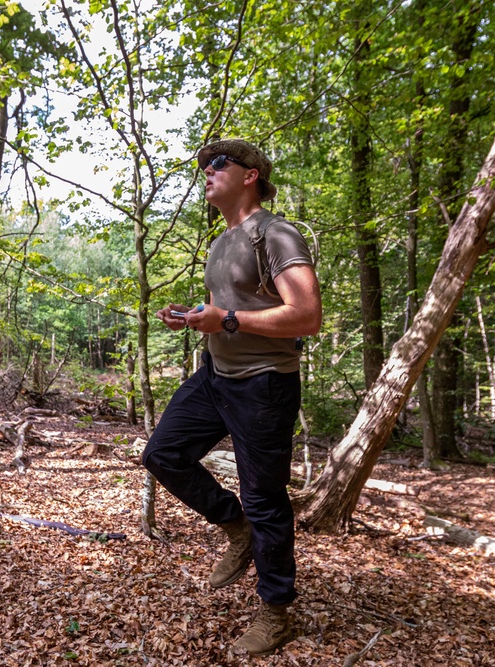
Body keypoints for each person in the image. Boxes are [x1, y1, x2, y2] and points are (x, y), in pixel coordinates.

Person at [141, 139, 322, 657]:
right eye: (203, 165)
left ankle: (276, 611)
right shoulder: (222, 242)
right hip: (216, 373)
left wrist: (229, 319)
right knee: (162, 455)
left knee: (266, 499)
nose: (207, 171)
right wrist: (196, 315)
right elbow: (227, 310)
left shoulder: (276, 232)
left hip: (264, 383)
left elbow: (307, 315)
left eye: (218, 163)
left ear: (250, 176)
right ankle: (232, 523)